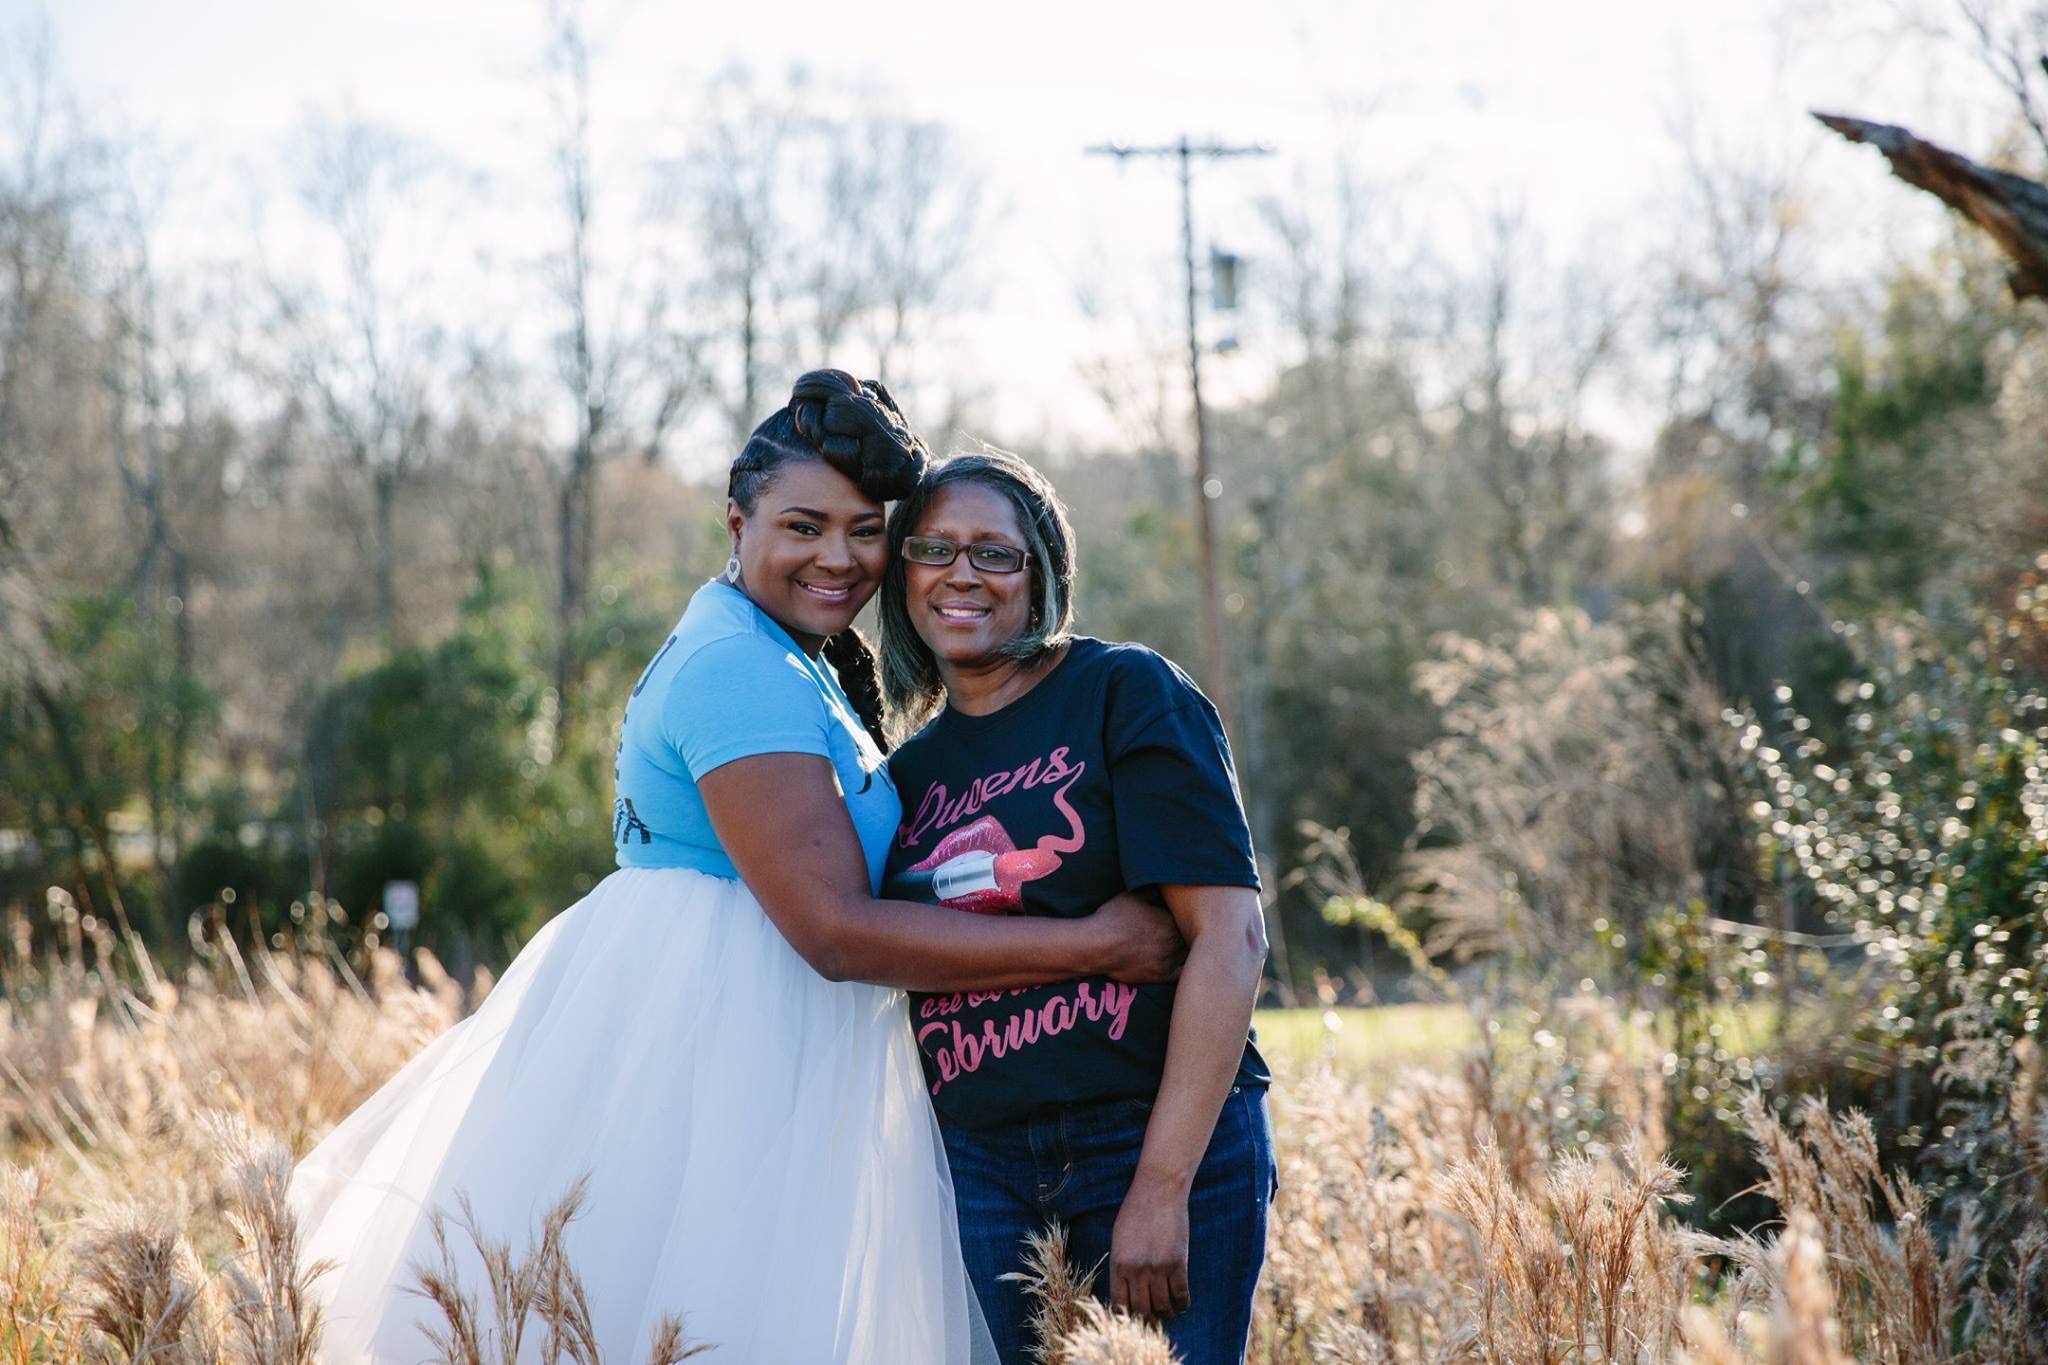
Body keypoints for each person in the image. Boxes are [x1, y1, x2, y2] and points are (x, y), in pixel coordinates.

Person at [289, 373, 1185, 1364]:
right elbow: (836, 932)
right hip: (726, 1053)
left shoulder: (779, 652)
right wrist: (1089, 944)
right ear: (735, 520)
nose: (837, 559)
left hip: (757, 1033)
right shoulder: (737, 669)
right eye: (802, 526)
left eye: (862, 530)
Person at [876, 449, 1276, 1365]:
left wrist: (1162, 1183)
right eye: (933, 547)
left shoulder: (1123, 692)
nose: (960, 572)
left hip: (1144, 1133)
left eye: (994, 552)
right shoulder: (906, 775)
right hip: (980, 1162)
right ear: (902, 574)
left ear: (1042, 572)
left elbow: (1232, 936)